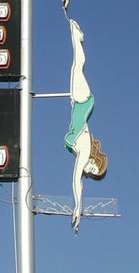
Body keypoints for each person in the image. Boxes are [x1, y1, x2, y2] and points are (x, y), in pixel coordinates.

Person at [65, 19, 108, 233]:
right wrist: (78, 207)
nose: (88, 171)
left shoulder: (84, 152)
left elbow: (78, 182)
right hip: (82, 101)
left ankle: (77, 37)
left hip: (78, 103)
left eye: (91, 171)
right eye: (93, 168)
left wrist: (78, 208)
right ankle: (77, 36)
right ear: (94, 161)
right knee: (77, 66)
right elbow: (76, 181)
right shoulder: (84, 152)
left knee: (77, 67)